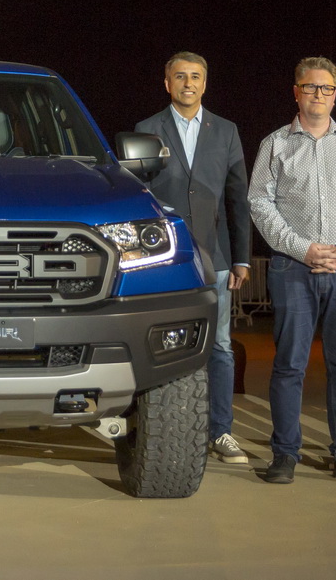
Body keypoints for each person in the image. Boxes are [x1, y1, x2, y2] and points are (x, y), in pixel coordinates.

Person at [249, 57, 336, 485]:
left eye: (326, 89)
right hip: (292, 268)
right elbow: (259, 203)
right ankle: (285, 454)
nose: (318, 95)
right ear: (296, 92)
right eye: (310, 87)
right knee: (289, 365)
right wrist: (303, 249)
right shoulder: (275, 144)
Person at [135, 52, 252, 464]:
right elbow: (139, 197)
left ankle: (221, 432)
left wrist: (242, 258)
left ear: (206, 83)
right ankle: (163, 429)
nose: (188, 83)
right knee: (162, 341)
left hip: (215, 257)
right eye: (180, 76)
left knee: (219, 346)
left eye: (196, 76)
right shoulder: (147, 130)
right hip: (165, 259)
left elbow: (238, 197)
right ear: (166, 83)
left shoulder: (227, 131)